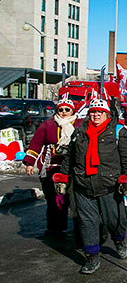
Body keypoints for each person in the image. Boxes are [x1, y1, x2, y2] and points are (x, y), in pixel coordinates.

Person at [53, 98, 127, 275]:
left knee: (114, 220)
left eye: (100, 111)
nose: (96, 114)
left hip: (109, 186)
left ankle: (119, 239)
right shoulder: (80, 132)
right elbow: (70, 158)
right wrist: (63, 178)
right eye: (93, 111)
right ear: (88, 113)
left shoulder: (119, 132)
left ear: (107, 113)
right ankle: (91, 257)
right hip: (82, 186)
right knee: (87, 223)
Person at [23, 96, 82, 237]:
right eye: (60, 109)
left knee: (76, 201)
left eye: (67, 109)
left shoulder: (80, 124)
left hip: (73, 169)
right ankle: (56, 229)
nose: (63, 112)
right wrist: (30, 163)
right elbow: (36, 144)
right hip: (51, 168)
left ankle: (81, 232)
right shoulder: (48, 125)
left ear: (72, 110)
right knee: (55, 200)